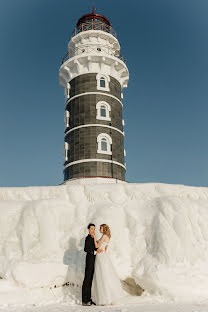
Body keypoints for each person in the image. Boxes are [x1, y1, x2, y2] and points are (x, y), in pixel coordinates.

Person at [91, 224, 124, 305]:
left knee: (102, 276)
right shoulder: (107, 237)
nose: (99, 229)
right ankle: (109, 297)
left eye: (100, 228)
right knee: (105, 275)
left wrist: (94, 237)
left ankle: (105, 298)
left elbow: (97, 245)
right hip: (103, 256)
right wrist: (101, 250)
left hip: (100, 257)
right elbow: (105, 248)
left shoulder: (104, 236)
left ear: (104, 228)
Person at [82, 223, 103, 306]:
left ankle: (89, 299)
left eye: (94, 229)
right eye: (91, 229)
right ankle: (84, 300)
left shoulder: (93, 237)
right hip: (89, 260)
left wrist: (99, 249)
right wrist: (95, 252)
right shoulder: (87, 238)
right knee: (87, 280)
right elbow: (86, 249)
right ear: (88, 229)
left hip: (93, 261)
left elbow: (96, 247)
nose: (93, 230)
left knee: (90, 279)